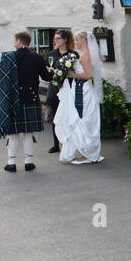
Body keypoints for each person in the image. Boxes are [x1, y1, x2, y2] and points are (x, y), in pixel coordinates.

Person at [0, 31, 54, 172]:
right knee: (28, 133)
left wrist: (0, 100)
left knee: (13, 133)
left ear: (19, 42)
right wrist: (52, 70)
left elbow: (1, 82)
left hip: (12, 100)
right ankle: (29, 162)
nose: (14, 43)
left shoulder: (8, 58)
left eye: (15, 41)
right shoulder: (37, 58)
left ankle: (11, 163)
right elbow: (47, 77)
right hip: (31, 99)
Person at [53, 31, 104, 165]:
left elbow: (88, 75)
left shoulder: (86, 55)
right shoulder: (83, 54)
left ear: (83, 40)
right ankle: (84, 151)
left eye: (77, 40)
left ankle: (88, 153)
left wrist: (72, 75)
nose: (75, 43)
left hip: (84, 89)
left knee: (83, 119)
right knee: (81, 118)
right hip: (79, 88)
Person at [45, 29, 75, 153]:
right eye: (55, 38)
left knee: (68, 115)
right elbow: (46, 68)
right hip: (54, 86)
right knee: (56, 114)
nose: (55, 40)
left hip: (67, 86)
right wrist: (49, 70)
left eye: (58, 38)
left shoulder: (72, 55)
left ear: (65, 40)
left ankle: (69, 142)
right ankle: (56, 144)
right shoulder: (52, 54)